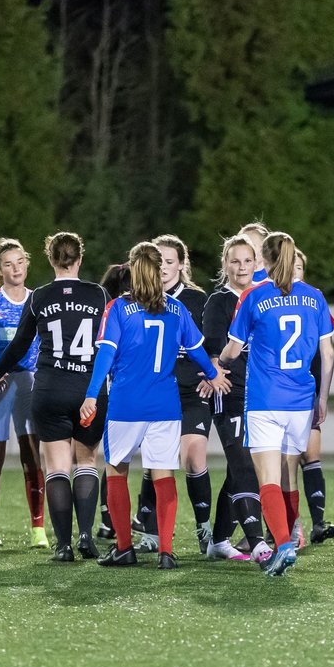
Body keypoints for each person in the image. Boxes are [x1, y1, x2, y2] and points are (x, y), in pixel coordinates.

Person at [82, 242, 230, 569]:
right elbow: (196, 350)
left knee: (117, 471)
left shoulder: (119, 308)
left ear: (135, 270)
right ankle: (166, 551)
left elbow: (105, 355)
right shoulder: (177, 310)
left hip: (126, 404)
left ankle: (124, 547)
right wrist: (212, 373)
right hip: (165, 405)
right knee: (164, 476)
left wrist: (91, 395)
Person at [0, 232, 108, 562]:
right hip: (87, 390)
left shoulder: (41, 296)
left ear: (49, 259)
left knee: (57, 467)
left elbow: (19, 344)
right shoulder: (98, 294)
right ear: (80, 258)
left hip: (48, 388)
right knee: (86, 462)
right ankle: (86, 537)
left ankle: (62, 545)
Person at [216, 231, 334, 577]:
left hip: (266, 399)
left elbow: (234, 349)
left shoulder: (254, 296)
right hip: (301, 400)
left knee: (266, 478)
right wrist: (323, 397)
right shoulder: (315, 297)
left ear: (263, 261)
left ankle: (282, 544)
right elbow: (327, 354)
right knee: (288, 476)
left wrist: (219, 363)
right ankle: (293, 534)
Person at [132, 235, 214, 554]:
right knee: (156, 461)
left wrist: (212, 371)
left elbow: (209, 345)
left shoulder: (196, 300)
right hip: (157, 392)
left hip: (192, 392)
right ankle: (151, 533)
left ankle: (205, 530)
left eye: (169, 261)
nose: (163, 268)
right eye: (158, 262)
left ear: (181, 264)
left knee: (193, 459)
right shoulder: (138, 301)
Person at [203, 235, 272, 564]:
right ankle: (257, 541)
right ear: (225, 265)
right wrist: (214, 368)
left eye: (248, 260)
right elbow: (214, 352)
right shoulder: (219, 302)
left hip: (261, 394)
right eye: (235, 260)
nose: (242, 266)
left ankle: (218, 540)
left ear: (257, 263)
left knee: (238, 470)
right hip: (230, 393)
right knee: (244, 464)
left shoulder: (264, 298)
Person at [0, 238, 48, 550]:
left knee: (32, 456)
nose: (15, 268)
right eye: (8, 263)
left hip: (29, 385)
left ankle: (38, 528)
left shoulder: (39, 300)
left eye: (20, 262)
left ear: (27, 263)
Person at [295, 249, 334, 548]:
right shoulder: (267, 299)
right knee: (283, 463)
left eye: (300, 267)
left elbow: (327, 351)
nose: (295, 271)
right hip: (277, 394)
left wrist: (321, 396)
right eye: (291, 266)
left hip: (305, 391)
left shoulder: (313, 301)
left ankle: (317, 523)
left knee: (311, 457)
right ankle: (287, 526)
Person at [94, 262, 132, 542]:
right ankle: (135, 518)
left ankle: (109, 520)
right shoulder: (124, 309)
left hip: (107, 392)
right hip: (126, 393)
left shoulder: (106, 309)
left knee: (113, 461)